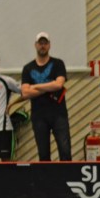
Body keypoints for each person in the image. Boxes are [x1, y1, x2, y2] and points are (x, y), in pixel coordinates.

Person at [21, 32, 72, 161]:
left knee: (65, 151)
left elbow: (59, 85)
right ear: (35, 45)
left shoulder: (58, 64)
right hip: (39, 116)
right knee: (43, 154)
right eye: (40, 43)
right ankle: (45, 175)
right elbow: (25, 93)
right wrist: (50, 86)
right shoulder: (28, 68)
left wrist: (35, 86)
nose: (42, 46)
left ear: (49, 45)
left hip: (58, 114)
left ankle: (67, 174)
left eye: (45, 43)